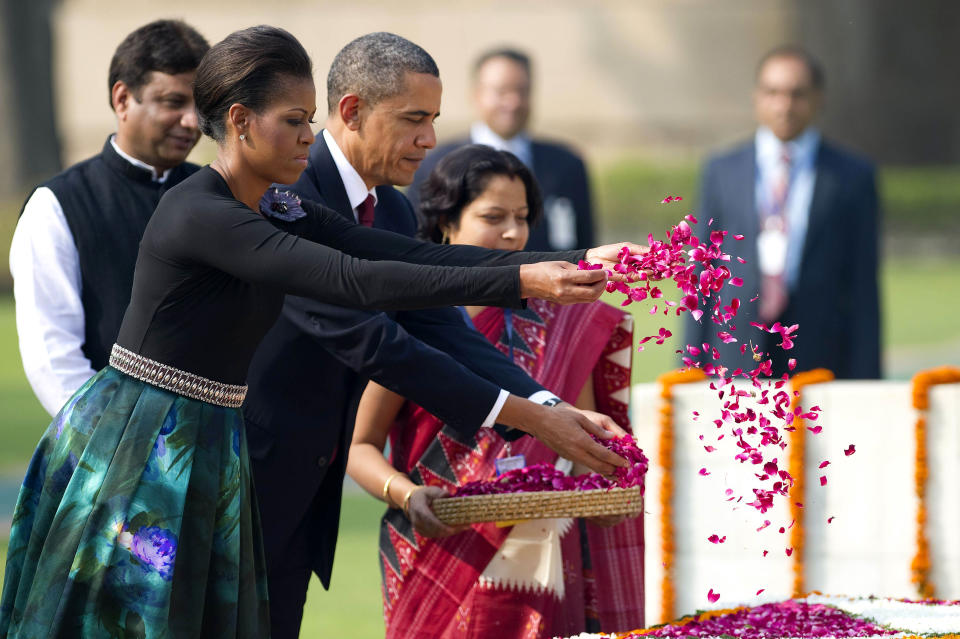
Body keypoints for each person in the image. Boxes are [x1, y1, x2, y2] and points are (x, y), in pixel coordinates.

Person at [0, 26, 625, 638]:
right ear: (242, 122)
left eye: (310, 119)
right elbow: (355, 281)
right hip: (148, 440)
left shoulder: (276, 203)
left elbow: (397, 257)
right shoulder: (203, 211)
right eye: (296, 121)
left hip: (213, 438)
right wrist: (524, 293)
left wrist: (532, 272)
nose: (309, 135)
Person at [241, 32, 646, 639]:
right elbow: (379, 345)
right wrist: (533, 418)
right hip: (240, 473)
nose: (429, 140)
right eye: (413, 120)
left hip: (305, 486)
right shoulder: (284, 199)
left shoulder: (395, 210)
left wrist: (550, 404)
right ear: (351, 111)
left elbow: (446, 329)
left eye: (433, 120)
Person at [347, 145, 646, 638]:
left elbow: (589, 443)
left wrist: (610, 492)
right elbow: (360, 446)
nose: (512, 233)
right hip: (437, 551)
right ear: (445, 225)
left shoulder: (565, 324)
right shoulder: (414, 322)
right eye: (493, 216)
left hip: (545, 554)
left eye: (523, 217)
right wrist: (409, 495)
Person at [9, 19, 210, 416]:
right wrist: (113, 443)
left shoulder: (215, 194)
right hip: (107, 455)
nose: (192, 121)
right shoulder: (57, 204)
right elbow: (52, 356)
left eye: (200, 106)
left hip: (217, 448)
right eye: (173, 102)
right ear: (122, 99)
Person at [684, 45, 881, 379]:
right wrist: (689, 368)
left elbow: (863, 287)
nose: (784, 106)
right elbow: (701, 275)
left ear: (819, 98)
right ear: (756, 97)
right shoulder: (721, 171)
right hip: (735, 350)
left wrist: (867, 377)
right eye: (772, 92)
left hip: (819, 353)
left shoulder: (852, 177)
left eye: (797, 94)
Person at [409, 47, 595, 251]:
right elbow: (417, 245)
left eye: (522, 91)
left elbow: (584, 247)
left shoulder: (566, 164)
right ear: (476, 95)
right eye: (501, 91)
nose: (513, 102)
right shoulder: (437, 164)